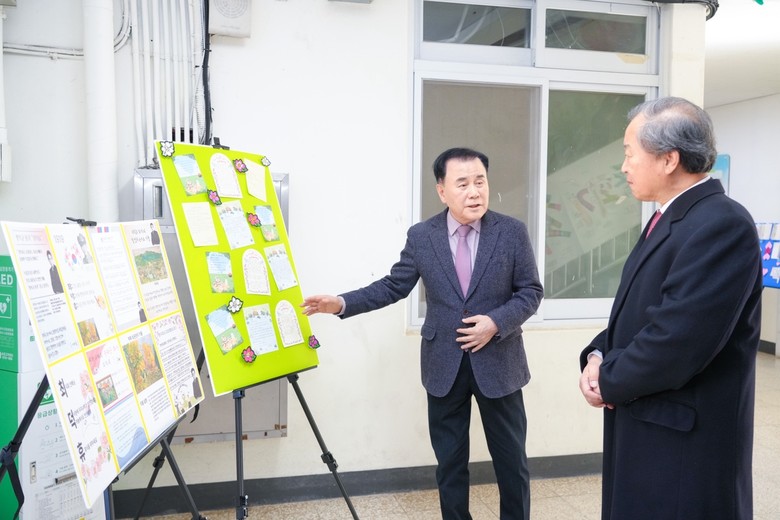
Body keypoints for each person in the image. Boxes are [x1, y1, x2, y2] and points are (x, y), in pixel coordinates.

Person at [302, 147, 543, 520]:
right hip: (443, 364)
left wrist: (495, 323)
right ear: (442, 190)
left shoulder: (511, 232)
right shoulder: (422, 236)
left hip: (500, 363)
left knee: (512, 463)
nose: (474, 192)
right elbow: (393, 286)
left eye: (480, 181)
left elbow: (530, 292)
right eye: (462, 184)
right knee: (449, 464)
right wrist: (342, 303)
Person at [578, 97, 762, 520]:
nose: (624, 167)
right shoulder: (669, 217)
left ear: (668, 159)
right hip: (649, 423)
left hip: (684, 447)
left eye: (629, 154)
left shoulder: (722, 223)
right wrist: (597, 355)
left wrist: (607, 380)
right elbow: (639, 314)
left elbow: (678, 341)